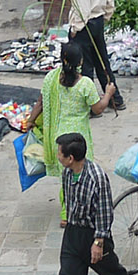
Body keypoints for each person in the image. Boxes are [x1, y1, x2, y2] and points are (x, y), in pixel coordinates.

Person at [44, 133, 138, 275]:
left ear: (71, 157)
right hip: (73, 232)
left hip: (94, 234)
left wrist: (98, 242)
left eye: (60, 153)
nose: (58, 156)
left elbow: (105, 212)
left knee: (110, 270)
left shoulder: (96, 177)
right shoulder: (68, 173)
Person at [37, 40, 111, 186]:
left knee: (66, 179)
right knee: (81, 177)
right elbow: (98, 109)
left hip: (58, 137)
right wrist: (108, 94)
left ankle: (67, 203)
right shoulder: (85, 84)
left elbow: (40, 103)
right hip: (77, 138)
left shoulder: (51, 78)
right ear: (81, 61)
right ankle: (77, 205)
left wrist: (30, 121)